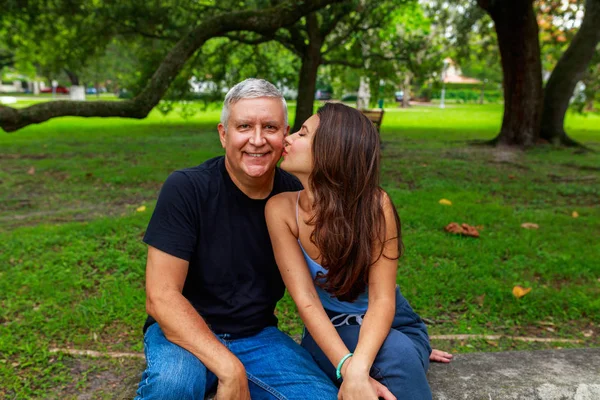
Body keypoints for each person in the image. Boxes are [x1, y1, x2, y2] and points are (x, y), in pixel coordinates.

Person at [135, 78, 339, 400]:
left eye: (270, 127)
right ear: (223, 134)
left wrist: (395, 340)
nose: (257, 140)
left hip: (258, 336)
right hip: (182, 332)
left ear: (284, 136)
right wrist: (229, 367)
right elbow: (160, 296)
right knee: (172, 386)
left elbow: (338, 274)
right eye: (244, 126)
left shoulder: (295, 197)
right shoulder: (187, 188)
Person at [265, 103, 449, 400]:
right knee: (397, 355)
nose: (288, 138)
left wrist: (359, 367)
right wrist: (348, 365)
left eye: (303, 133)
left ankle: (407, 351)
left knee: (398, 350)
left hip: (392, 323)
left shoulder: (376, 206)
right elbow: (306, 300)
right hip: (329, 333)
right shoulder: (281, 210)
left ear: (331, 150)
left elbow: (382, 299)